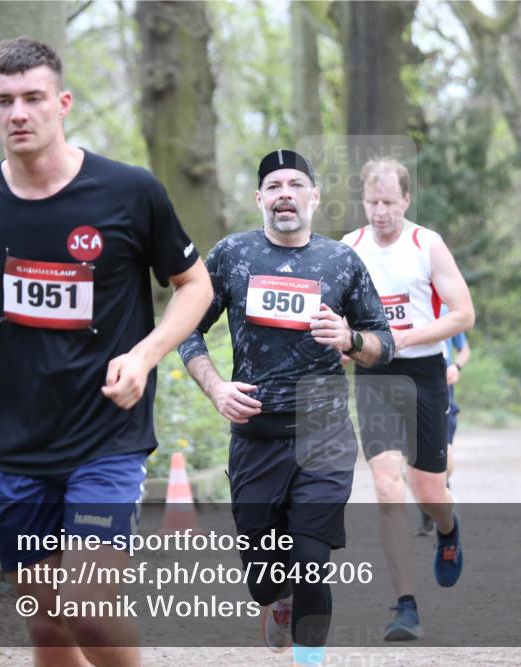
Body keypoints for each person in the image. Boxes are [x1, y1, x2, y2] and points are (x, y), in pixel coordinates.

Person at [0, 38, 213, 667]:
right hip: (16, 445)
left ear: (63, 103)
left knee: (88, 602)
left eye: (33, 98)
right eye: (5, 101)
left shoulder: (129, 191)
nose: (19, 112)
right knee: (47, 624)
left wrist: (145, 355)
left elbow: (195, 285)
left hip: (107, 435)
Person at [178, 149, 394, 667]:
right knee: (263, 578)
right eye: (273, 186)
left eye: (296, 184)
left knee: (312, 561)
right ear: (259, 199)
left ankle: (308, 659)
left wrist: (350, 338)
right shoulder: (231, 255)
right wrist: (215, 389)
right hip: (255, 431)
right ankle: (277, 598)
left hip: (324, 430)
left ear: (314, 197)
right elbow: (186, 330)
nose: (285, 194)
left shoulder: (340, 261)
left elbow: (383, 343)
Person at [341, 157, 475, 641]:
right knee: (385, 485)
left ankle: (446, 527)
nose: (380, 212)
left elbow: (463, 315)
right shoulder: (348, 249)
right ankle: (406, 606)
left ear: (405, 200)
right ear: (364, 201)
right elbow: (335, 319)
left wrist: (405, 336)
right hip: (374, 372)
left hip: (424, 372)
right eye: (372, 202)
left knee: (430, 492)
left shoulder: (427, 245)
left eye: (389, 203)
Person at [418, 313, 470, 536]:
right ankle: (431, 515)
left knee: (443, 459)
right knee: (416, 460)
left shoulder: (450, 312)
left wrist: (456, 367)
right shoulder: (410, 307)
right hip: (413, 389)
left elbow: (464, 350)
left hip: (443, 393)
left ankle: (442, 499)